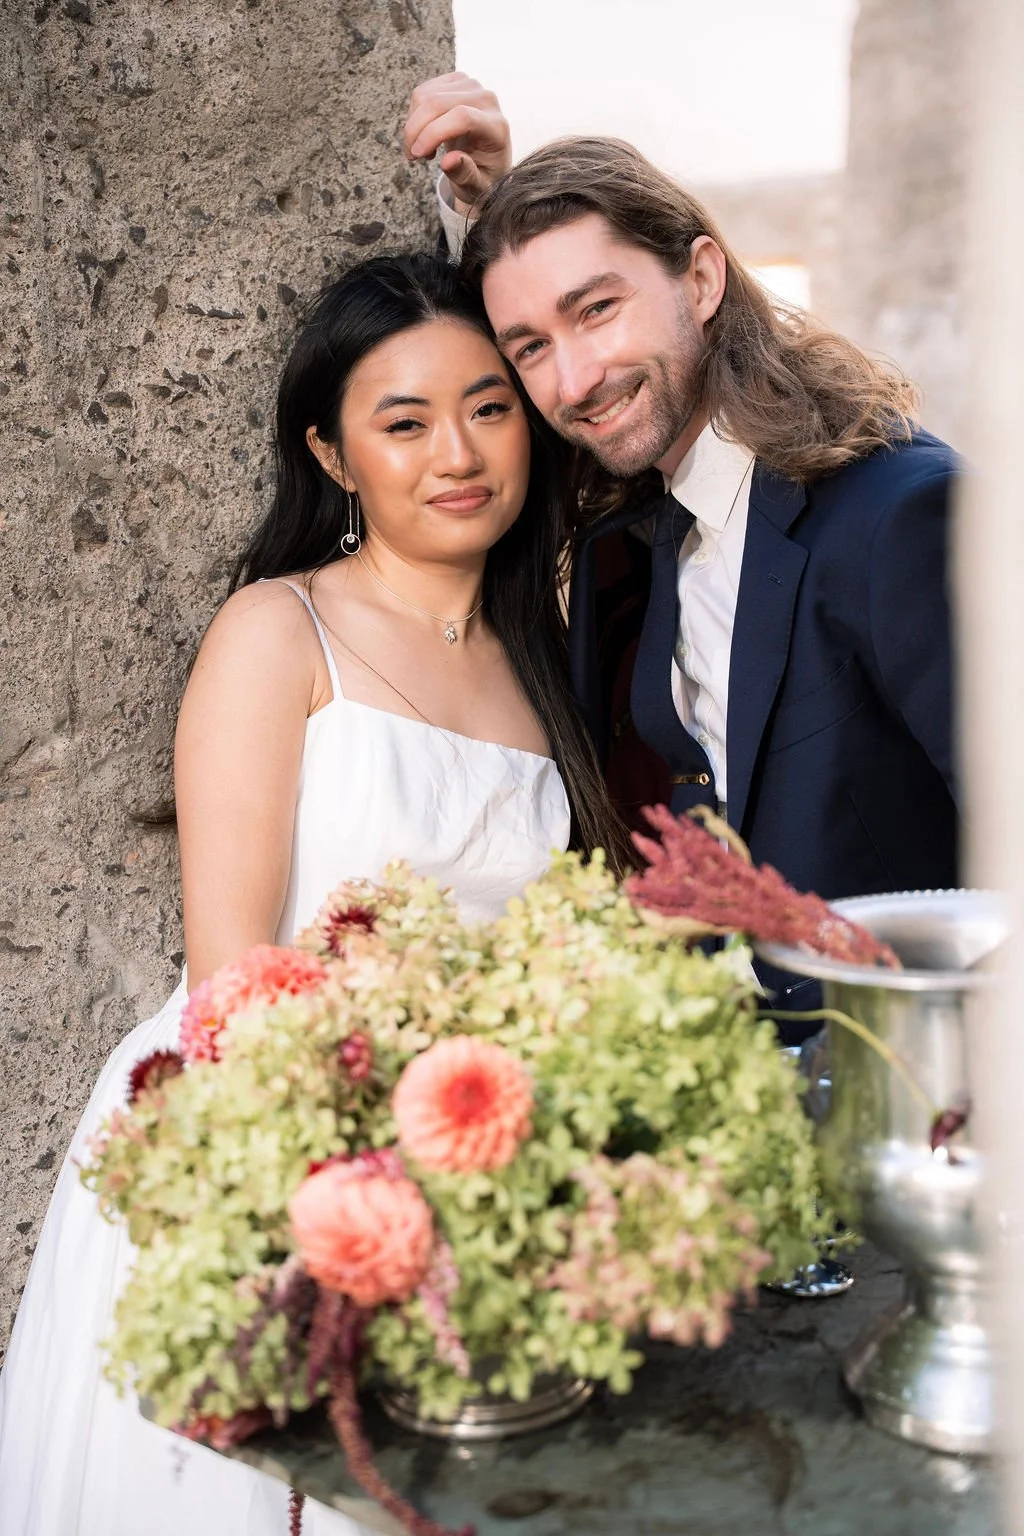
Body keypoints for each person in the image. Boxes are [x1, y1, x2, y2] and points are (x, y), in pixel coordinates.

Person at [0, 251, 627, 1536]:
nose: (456, 450)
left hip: (468, 1162)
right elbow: (229, 975)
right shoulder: (278, 631)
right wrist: (333, 1205)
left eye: (489, 405)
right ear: (334, 457)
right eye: (403, 422)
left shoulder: (545, 661)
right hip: (263, 1146)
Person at [404, 76, 960, 1022]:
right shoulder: (643, 534)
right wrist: (491, 202)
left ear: (702, 280)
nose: (575, 377)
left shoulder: (901, 512)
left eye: (597, 309)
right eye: (530, 346)